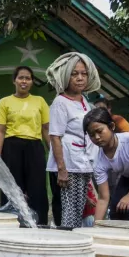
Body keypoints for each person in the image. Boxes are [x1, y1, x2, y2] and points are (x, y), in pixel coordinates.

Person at [46, 52, 101, 228]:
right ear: (66, 76)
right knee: (69, 211)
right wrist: (62, 169)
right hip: (68, 166)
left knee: (79, 211)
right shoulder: (60, 102)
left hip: (82, 164)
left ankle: (74, 246)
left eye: (83, 74)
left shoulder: (84, 101)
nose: (80, 78)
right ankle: (65, 246)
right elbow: (55, 137)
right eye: (74, 74)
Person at [0, 66, 50, 224]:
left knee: (37, 188)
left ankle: (41, 224)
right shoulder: (4, 102)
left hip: (35, 147)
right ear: (14, 80)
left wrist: (53, 153)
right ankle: (9, 224)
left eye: (28, 78)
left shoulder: (40, 101)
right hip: (12, 147)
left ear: (32, 82)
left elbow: (46, 129)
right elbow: (0, 130)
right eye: (21, 77)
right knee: (12, 187)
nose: (24, 81)